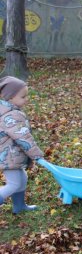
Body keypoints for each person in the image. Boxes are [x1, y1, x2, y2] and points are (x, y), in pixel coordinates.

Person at [0, 76, 44, 214]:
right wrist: (36, 154)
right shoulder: (11, 115)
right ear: (10, 98)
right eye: (23, 96)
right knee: (13, 184)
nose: (27, 99)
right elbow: (23, 137)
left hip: (12, 155)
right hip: (9, 156)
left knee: (22, 178)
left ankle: (19, 206)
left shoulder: (8, 111)